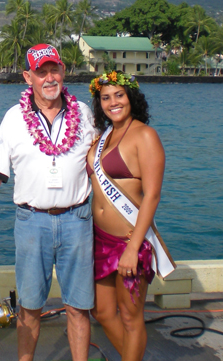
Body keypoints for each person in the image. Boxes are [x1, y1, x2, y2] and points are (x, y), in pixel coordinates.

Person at [0, 43, 97, 361]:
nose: (49, 78)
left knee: (79, 307)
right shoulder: (14, 119)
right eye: (41, 72)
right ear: (29, 77)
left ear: (63, 71)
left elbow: (102, 166)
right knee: (29, 307)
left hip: (78, 220)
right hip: (31, 222)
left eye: (54, 70)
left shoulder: (83, 113)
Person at [86, 71, 175, 361]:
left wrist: (134, 248)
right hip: (99, 239)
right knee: (101, 311)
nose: (113, 102)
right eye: (105, 97)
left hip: (128, 242)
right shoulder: (103, 137)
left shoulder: (145, 135)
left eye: (119, 95)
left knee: (130, 317)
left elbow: (152, 195)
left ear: (131, 97)